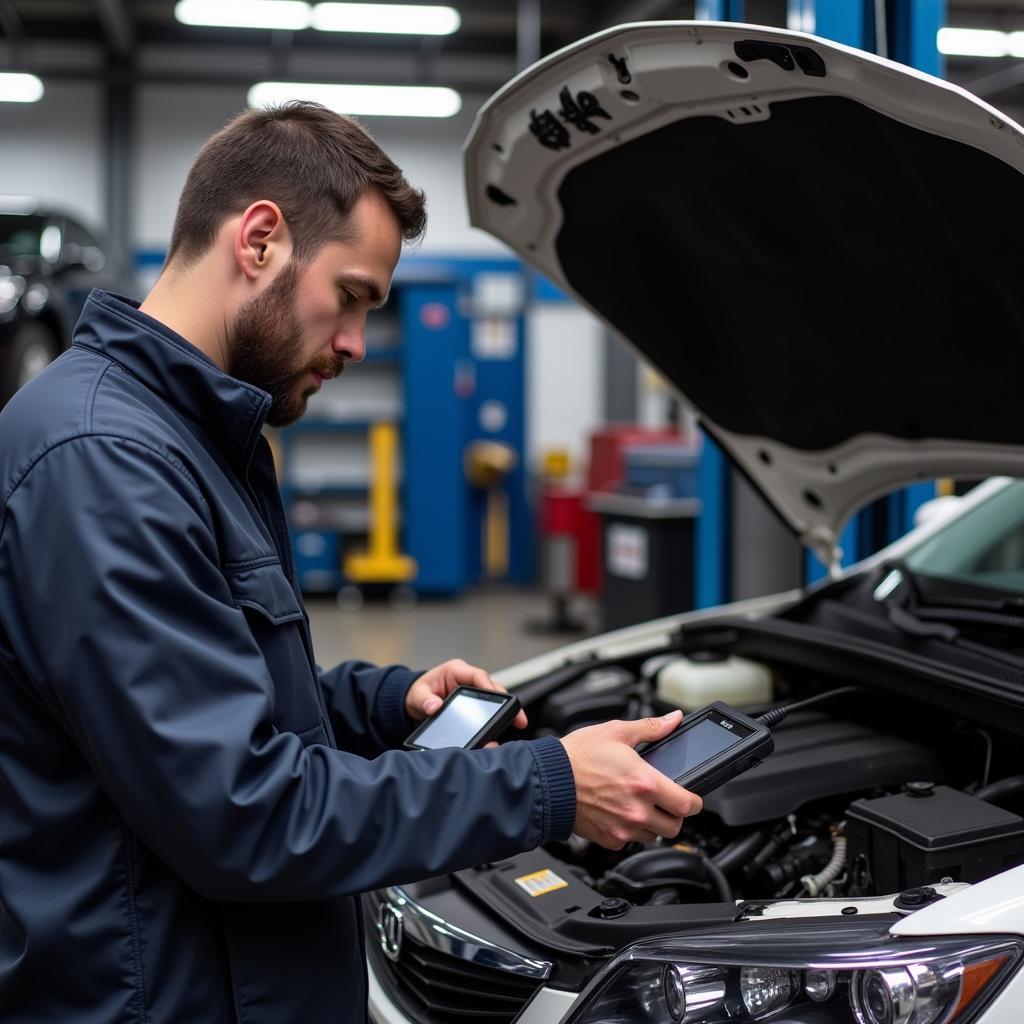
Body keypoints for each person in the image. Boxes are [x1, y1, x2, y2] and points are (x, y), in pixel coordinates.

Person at [0, 102, 702, 1023]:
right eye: (353, 296)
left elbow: (203, 700)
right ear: (259, 239)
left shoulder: (187, 435)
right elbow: (244, 812)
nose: (356, 343)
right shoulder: (106, 460)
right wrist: (550, 785)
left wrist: (377, 704)